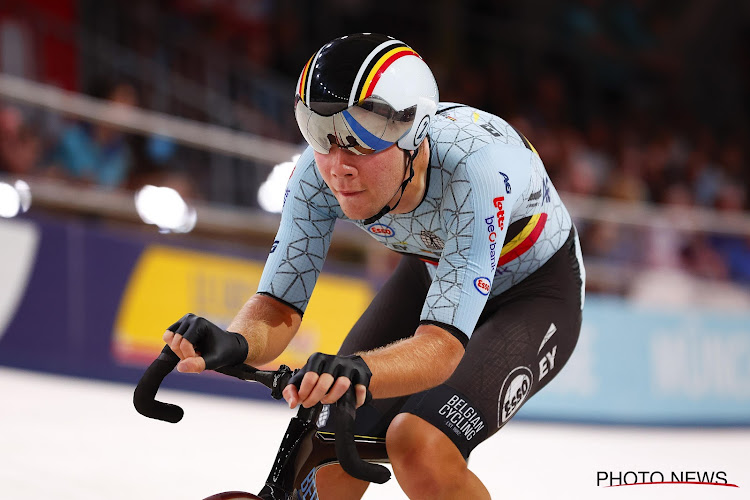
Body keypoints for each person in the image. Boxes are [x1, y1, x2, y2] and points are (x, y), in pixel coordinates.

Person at [163, 34, 585, 499]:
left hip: (534, 293)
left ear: (414, 136)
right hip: (435, 270)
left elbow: (441, 350)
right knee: (326, 432)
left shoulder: (474, 171)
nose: (339, 166)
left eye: (361, 140)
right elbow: (279, 304)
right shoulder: (316, 172)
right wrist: (238, 340)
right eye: (319, 132)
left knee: (419, 443)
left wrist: (358, 368)